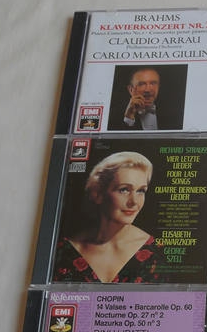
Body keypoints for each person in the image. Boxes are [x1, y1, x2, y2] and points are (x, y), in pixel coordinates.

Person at [52, 151, 166, 283]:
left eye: (141, 191)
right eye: (124, 189)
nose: (134, 202)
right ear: (98, 194)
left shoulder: (156, 251)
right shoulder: (63, 250)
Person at [108, 67, 183, 131]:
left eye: (153, 83)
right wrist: (129, 117)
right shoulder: (113, 115)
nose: (148, 90)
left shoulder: (174, 112)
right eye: (141, 84)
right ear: (131, 90)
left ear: (158, 87)